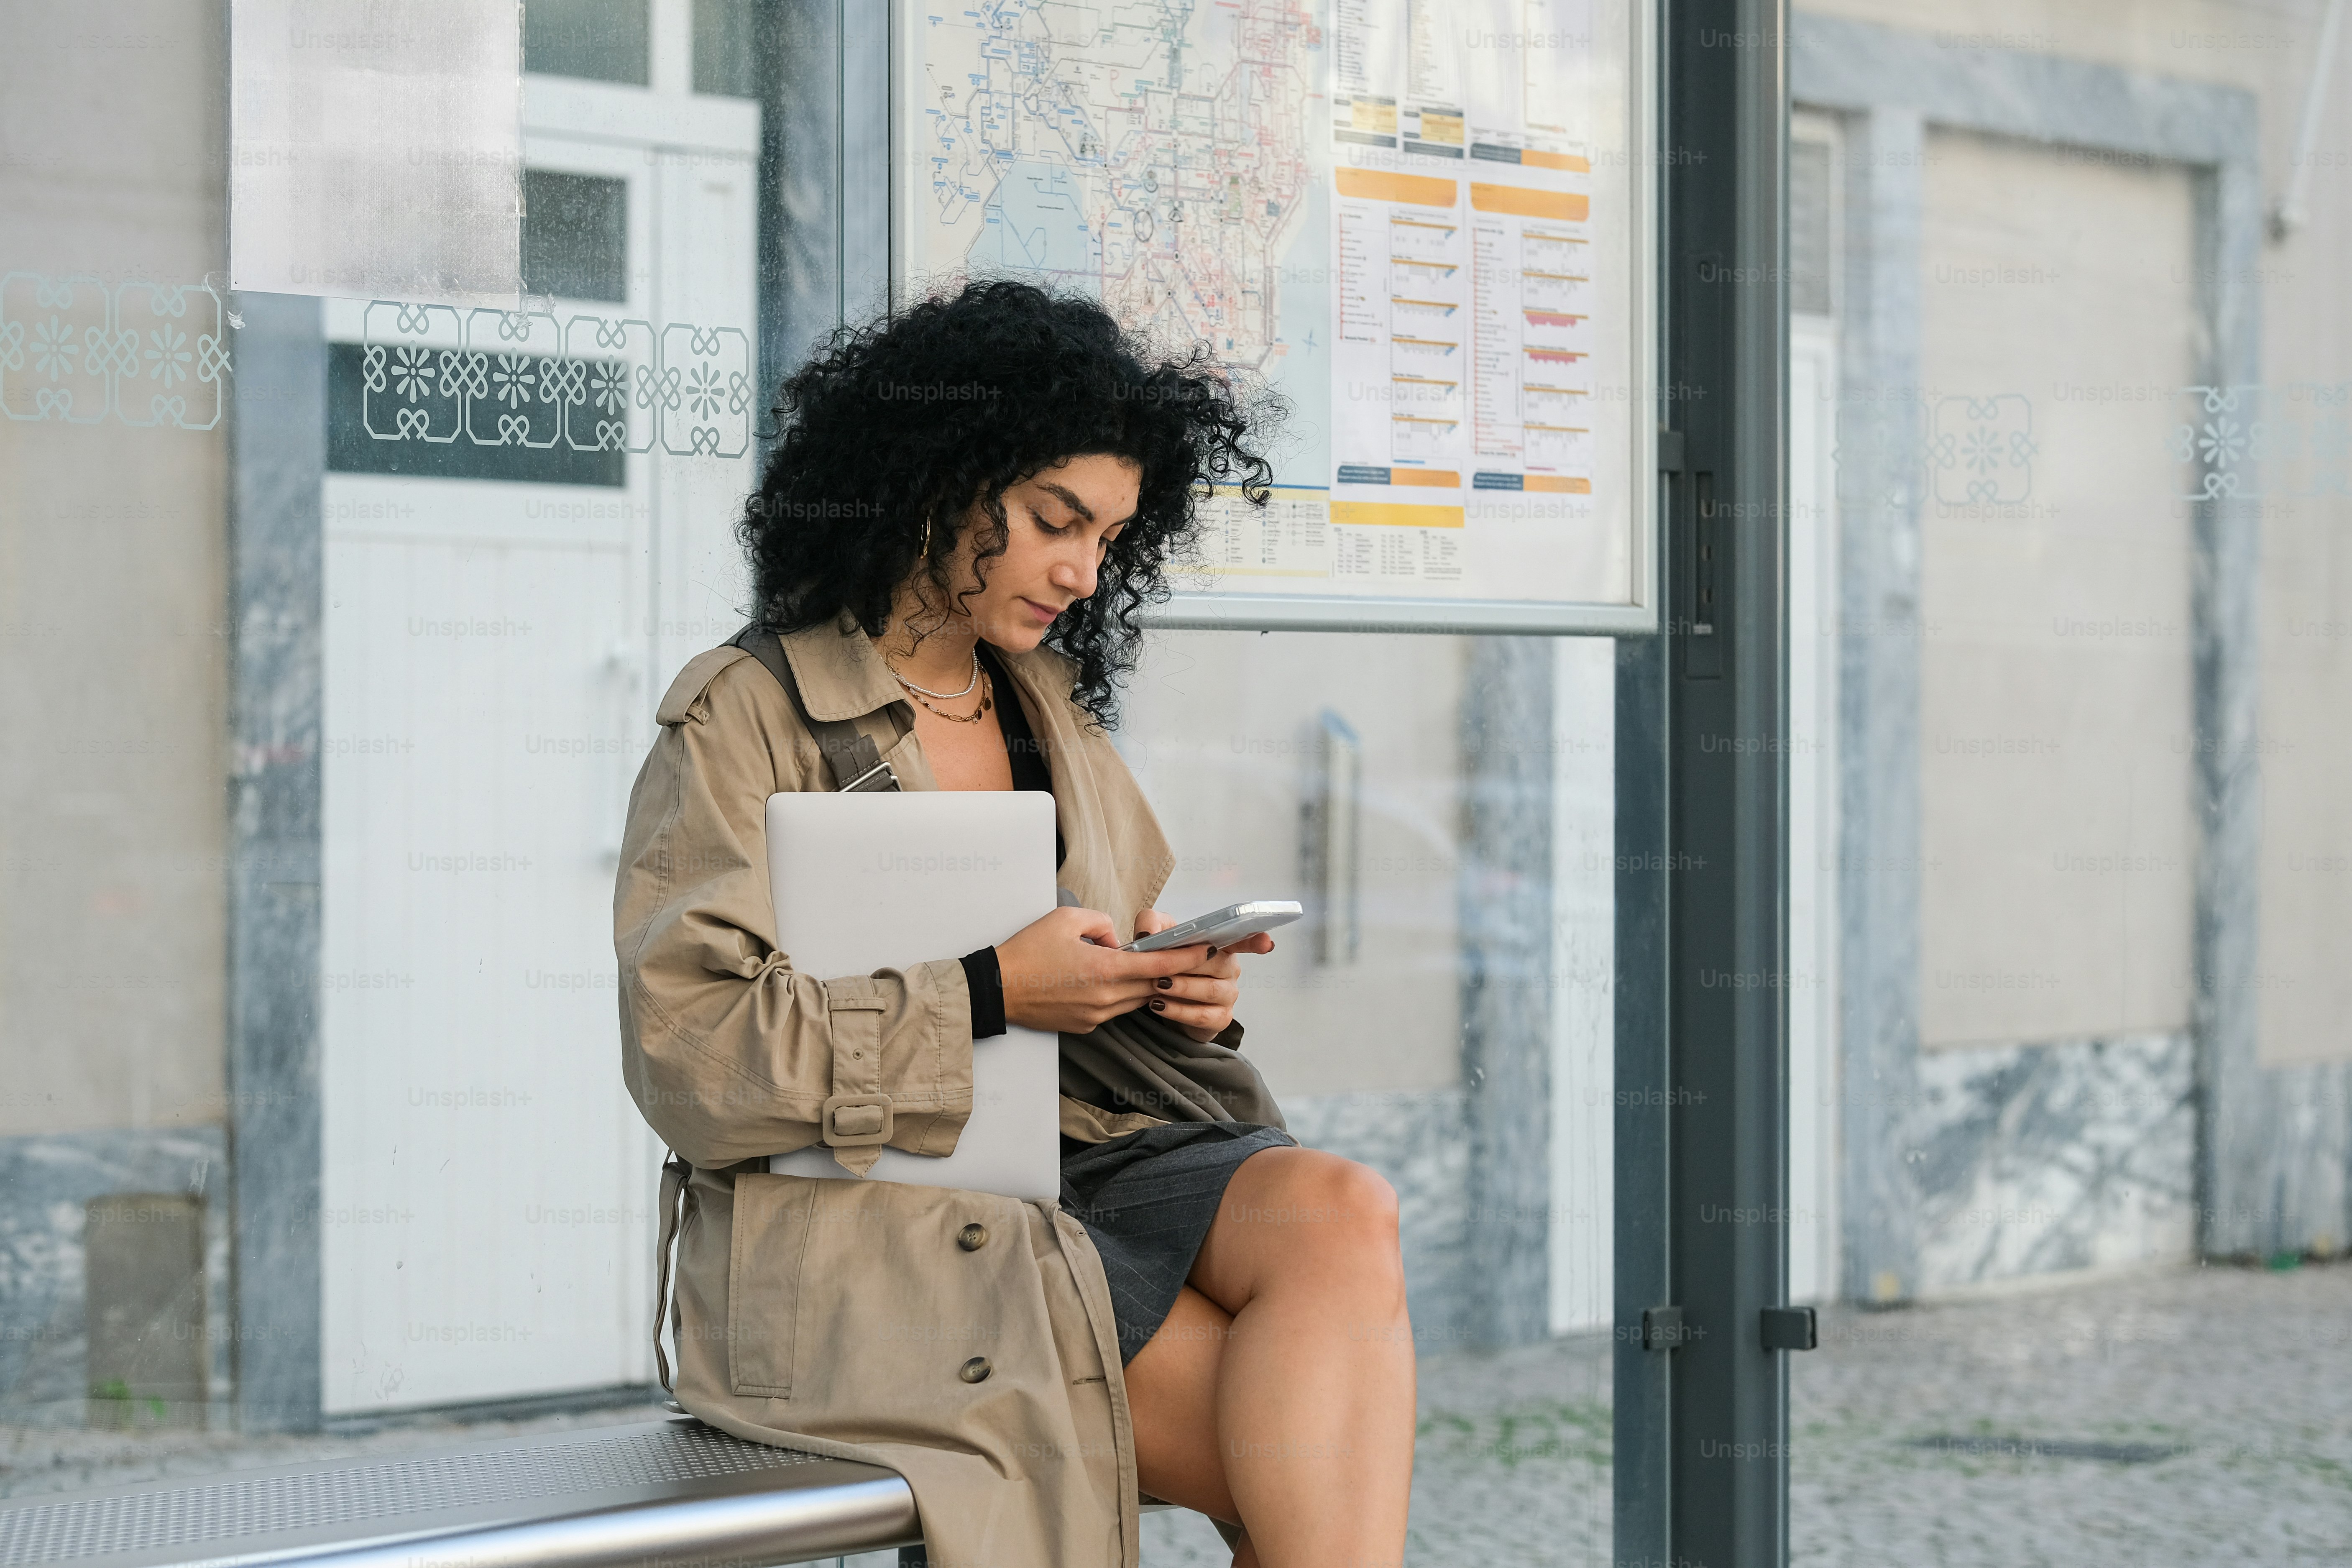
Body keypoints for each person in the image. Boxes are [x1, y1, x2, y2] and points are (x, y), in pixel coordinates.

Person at [614, 280, 1413, 1568]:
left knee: (1340, 1208)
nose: (1084, 573)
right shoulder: (744, 714)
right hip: (876, 1219)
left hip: (1086, 1167)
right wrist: (989, 992)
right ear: (940, 478)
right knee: (1314, 1460)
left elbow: (1095, 951)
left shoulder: (1041, 704)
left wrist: (1173, 988)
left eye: (1110, 538)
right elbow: (692, 1059)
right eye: (1055, 520)